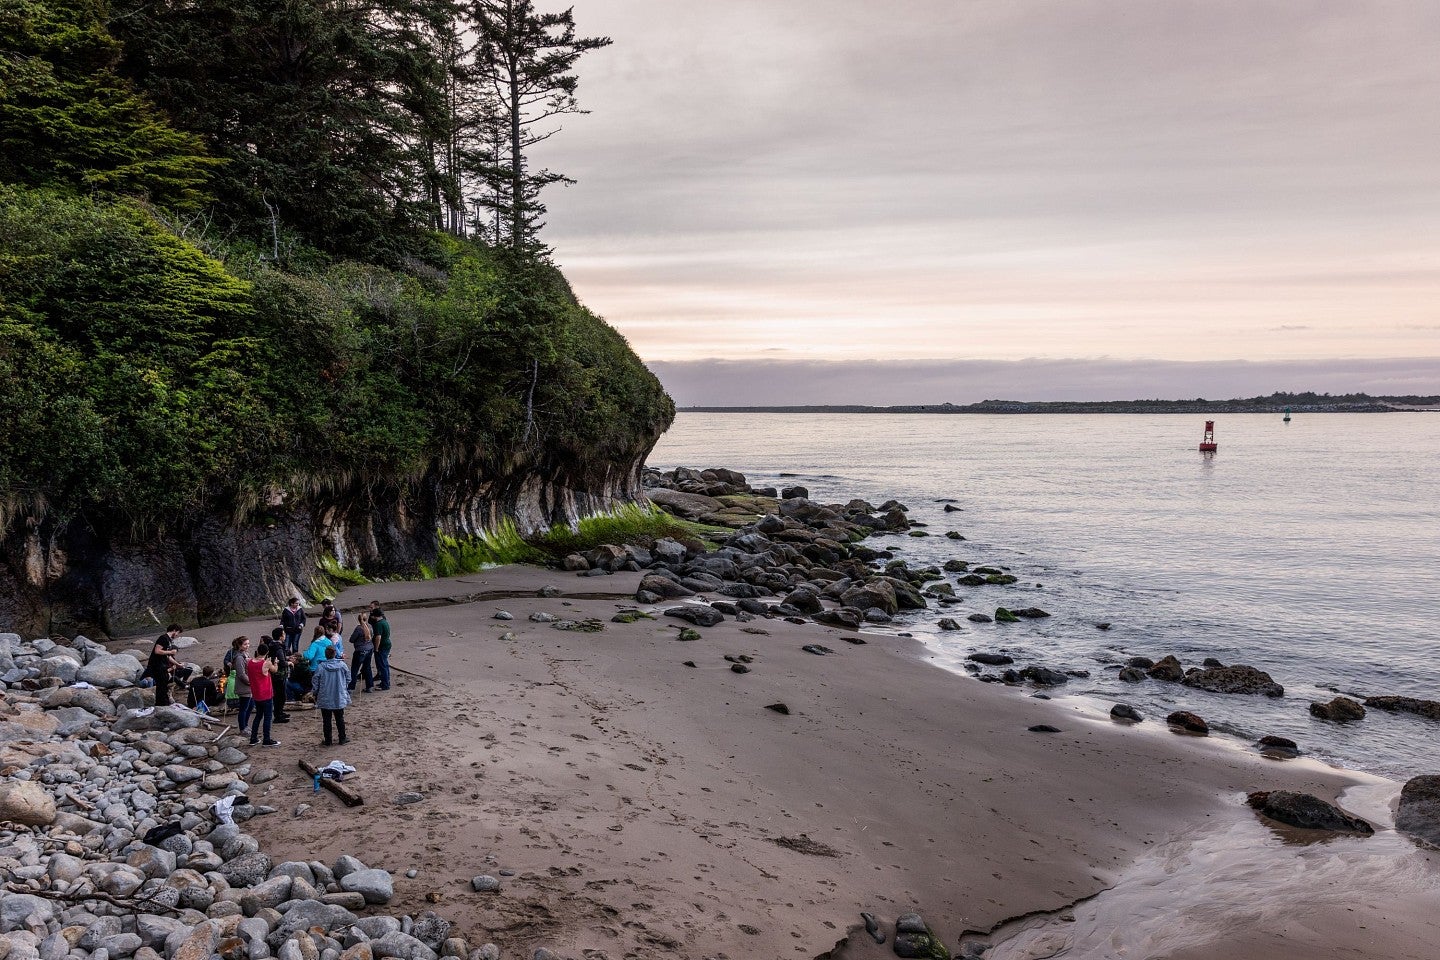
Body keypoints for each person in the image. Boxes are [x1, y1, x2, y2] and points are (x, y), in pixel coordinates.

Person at [312, 646, 351, 746]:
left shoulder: (321, 667)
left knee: (326, 720)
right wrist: (343, 687)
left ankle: (328, 740)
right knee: (339, 718)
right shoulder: (342, 665)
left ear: (326, 655)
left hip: (326, 696)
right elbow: (348, 678)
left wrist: (316, 692)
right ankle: (342, 738)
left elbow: (315, 680)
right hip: (338, 695)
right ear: (335, 654)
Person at [246, 641, 281, 747]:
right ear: (267, 652)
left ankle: (253, 738)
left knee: (258, 716)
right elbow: (274, 670)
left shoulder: (250, 662)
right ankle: (267, 739)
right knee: (268, 717)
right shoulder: (266, 663)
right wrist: (276, 662)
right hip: (265, 693)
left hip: (256, 693)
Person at [146, 625, 182, 706]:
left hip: (163, 665)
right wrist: (171, 652)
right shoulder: (163, 638)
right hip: (157, 665)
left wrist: (177, 664)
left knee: (164, 685)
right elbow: (157, 651)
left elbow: (167, 656)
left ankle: (164, 702)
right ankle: (161, 704)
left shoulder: (169, 640)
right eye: (177, 633)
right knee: (161, 685)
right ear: (174, 630)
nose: (177, 635)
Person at [268, 627, 292, 724]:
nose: (285, 636)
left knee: (279, 695)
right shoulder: (278, 647)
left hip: (276, 674)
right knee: (280, 695)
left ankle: (280, 712)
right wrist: (289, 663)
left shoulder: (272, 645)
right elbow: (281, 662)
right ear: (281, 636)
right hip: (279, 674)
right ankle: (278, 715)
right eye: (283, 634)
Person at [348, 612, 375, 693]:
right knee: (367, 667)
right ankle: (370, 686)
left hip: (360, 651)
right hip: (369, 649)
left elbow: (352, 640)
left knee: (354, 669)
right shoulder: (370, 626)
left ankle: (351, 688)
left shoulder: (358, 629)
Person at [231, 637, 253, 732]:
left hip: (249, 686)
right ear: (240, 645)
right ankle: (242, 727)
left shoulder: (245, 654)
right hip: (244, 686)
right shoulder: (239, 657)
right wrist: (251, 682)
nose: (247, 646)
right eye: (245, 644)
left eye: (248, 643)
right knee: (244, 708)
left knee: (250, 706)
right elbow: (241, 674)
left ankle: (246, 725)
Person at [371, 607, 392, 691]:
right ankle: (385, 681)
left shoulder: (378, 624)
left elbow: (378, 637)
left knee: (382, 665)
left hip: (382, 646)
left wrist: (376, 648)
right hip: (386, 644)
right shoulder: (384, 622)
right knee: (385, 665)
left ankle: (385, 684)